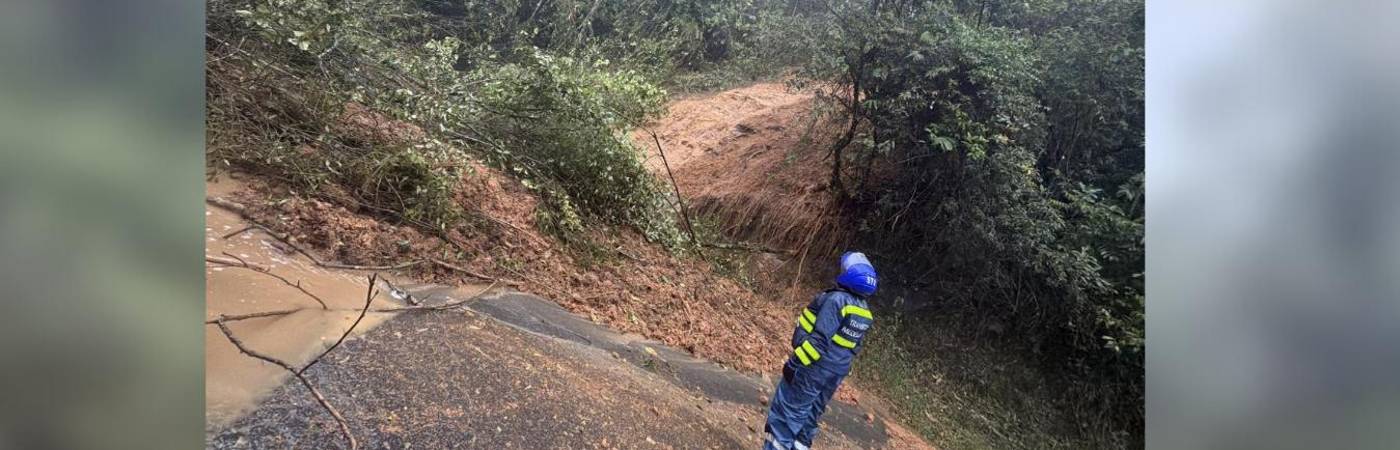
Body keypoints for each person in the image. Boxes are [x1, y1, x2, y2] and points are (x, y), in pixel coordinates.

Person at [763, 251, 877, 450]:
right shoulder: (864, 311)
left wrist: (794, 363)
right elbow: (854, 347)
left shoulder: (837, 300)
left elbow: (819, 341)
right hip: (835, 371)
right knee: (810, 417)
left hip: (813, 368)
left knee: (789, 413)